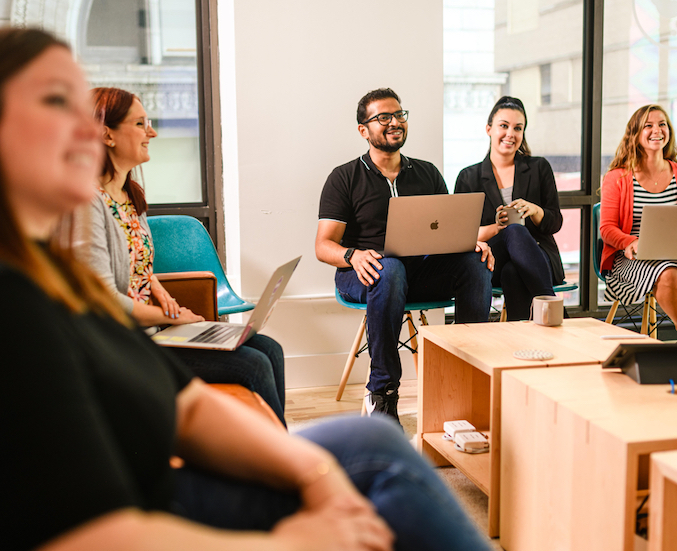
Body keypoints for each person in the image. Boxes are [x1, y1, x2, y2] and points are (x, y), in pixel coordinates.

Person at [0, 27, 494, 551]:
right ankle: (383, 392)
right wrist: (297, 540)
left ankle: (466, 379)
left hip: (167, 471)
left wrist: (310, 473)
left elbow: (185, 406)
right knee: (378, 463)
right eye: (58, 101)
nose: (88, 127)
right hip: (155, 507)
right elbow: (92, 535)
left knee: (369, 438)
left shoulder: (60, 277)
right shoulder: (18, 309)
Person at [77, 86, 287, 425]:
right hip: (126, 344)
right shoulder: (86, 204)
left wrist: (154, 283)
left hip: (155, 330)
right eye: (140, 123)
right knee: (254, 363)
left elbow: (134, 262)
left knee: (269, 348)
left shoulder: (130, 195)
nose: (153, 132)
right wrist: (173, 318)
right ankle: (278, 464)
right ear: (106, 134)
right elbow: (105, 300)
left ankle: (281, 452)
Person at [316, 88, 493, 420]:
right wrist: (353, 255)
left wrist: (470, 242)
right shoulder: (344, 178)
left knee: (475, 263)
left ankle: (467, 377)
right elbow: (323, 246)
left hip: (418, 274)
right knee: (390, 267)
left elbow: (447, 233)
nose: (394, 122)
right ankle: (382, 394)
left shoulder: (426, 173)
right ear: (363, 130)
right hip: (365, 273)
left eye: (399, 115)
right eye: (383, 117)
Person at [454, 96, 564, 321]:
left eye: (518, 128)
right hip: (491, 259)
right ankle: (554, 310)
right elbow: (463, 236)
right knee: (512, 230)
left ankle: (519, 345)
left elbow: (555, 222)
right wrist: (497, 227)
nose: (510, 134)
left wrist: (534, 210)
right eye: (503, 126)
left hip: (540, 256)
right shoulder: (469, 177)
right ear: (489, 129)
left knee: (513, 273)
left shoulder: (539, 167)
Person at [600, 104, 677, 337]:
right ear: (635, 134)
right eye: (648, 125)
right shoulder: (617, 177)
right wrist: (631, 242)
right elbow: (607, 229)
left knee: (671, 269)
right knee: (668, 273)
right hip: (632, 259)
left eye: (662, 124)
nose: (656, 130)